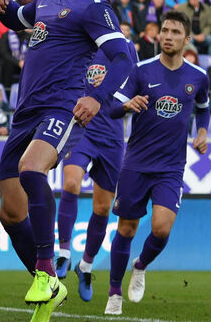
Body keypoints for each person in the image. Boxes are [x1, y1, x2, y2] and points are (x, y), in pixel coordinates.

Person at [0, 0, 134, 321]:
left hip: (61, 106)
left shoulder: (95, 8)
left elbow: (124, 58)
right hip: (25, 112)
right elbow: (15, 18)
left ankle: (48, 271)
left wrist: (96, 97)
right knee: (10, 214)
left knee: (31, 169)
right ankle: (47, 280)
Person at [104, 11, 210, 316]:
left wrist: (202, 133)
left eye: (175, 32)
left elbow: (203, 110)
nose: (168, 36)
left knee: (161, 229)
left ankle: (141, 265)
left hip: (171, 167)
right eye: (164, 30)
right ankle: (114, 292)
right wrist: (126, 104)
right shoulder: (141, 71)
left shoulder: (198, 77)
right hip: (136, 164)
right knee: (126, 229)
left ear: (186, 39)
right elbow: (111, 107)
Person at [54, 26, 138, 299]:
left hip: (112, 136)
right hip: (80, 129)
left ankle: (86, 266)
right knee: (71, 183)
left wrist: (128, 105)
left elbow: (133, 85)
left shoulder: (125, 48)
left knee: (102, 208)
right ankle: (63, 252)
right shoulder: (80, 45)